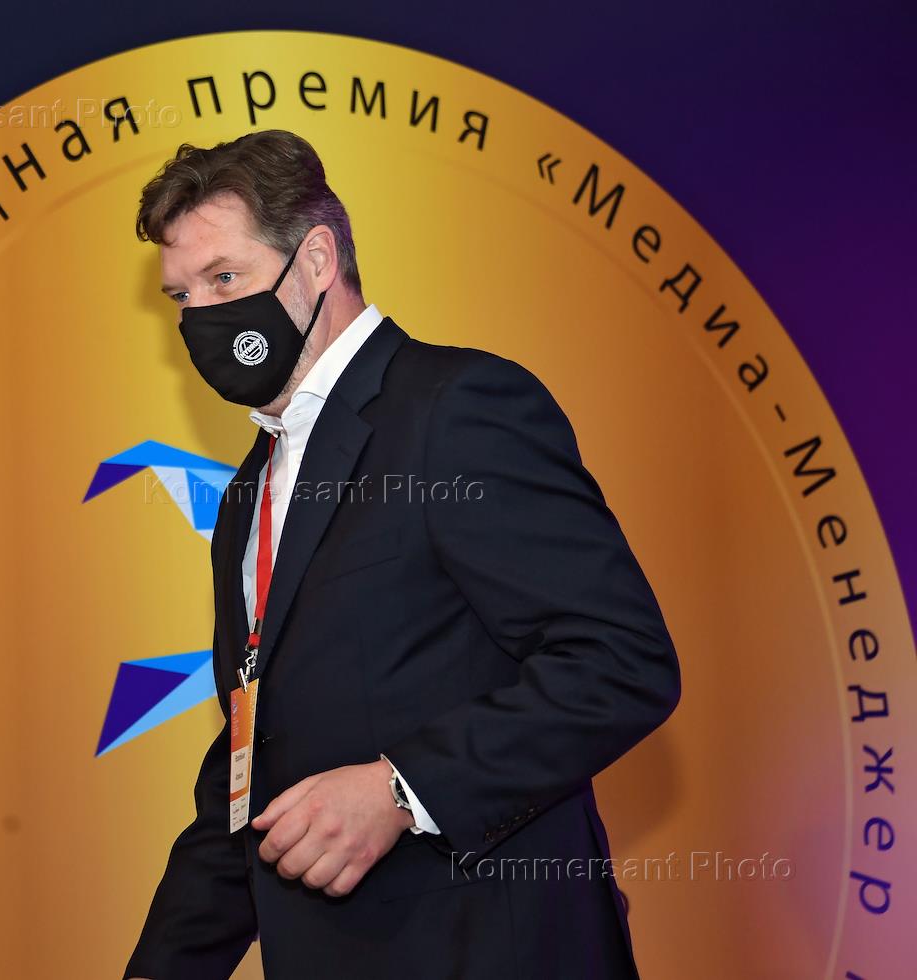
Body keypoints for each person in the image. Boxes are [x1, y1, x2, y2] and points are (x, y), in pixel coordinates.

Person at [123, 128, 681, 980]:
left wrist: (401, 790)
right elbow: (251, 770)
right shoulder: (247, 495)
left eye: (223, 279)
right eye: (180, 295)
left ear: (316, 261)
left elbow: (620, 661)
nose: (200, 316)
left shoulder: (457, 408)